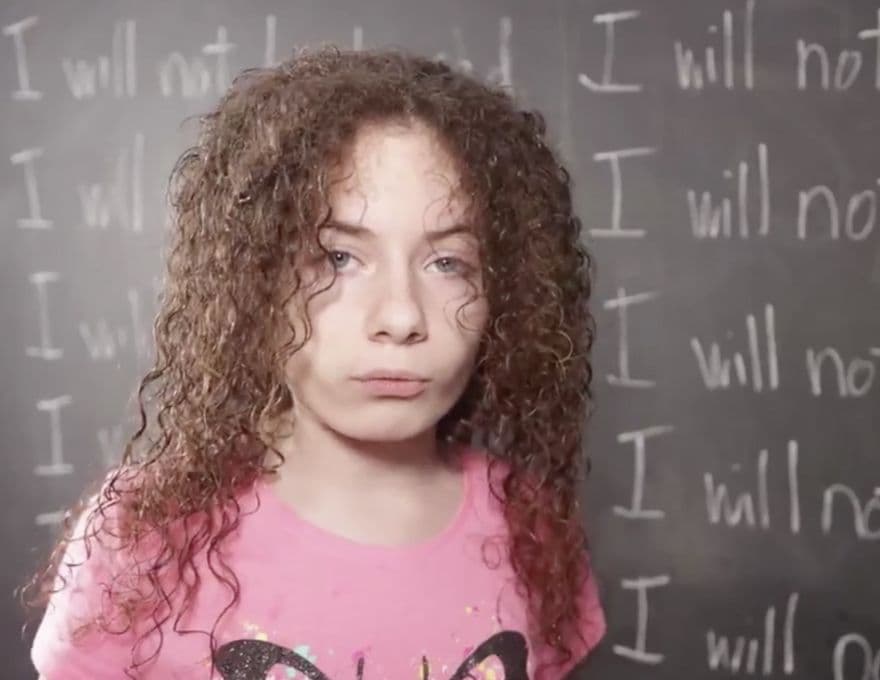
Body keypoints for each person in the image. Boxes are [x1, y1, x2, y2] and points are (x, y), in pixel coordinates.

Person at [19, 46, 605, 680]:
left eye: (448, 264)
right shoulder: (145, 537)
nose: (402, 316)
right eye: (338, 259)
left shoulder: (530, 526)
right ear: (257, 281)